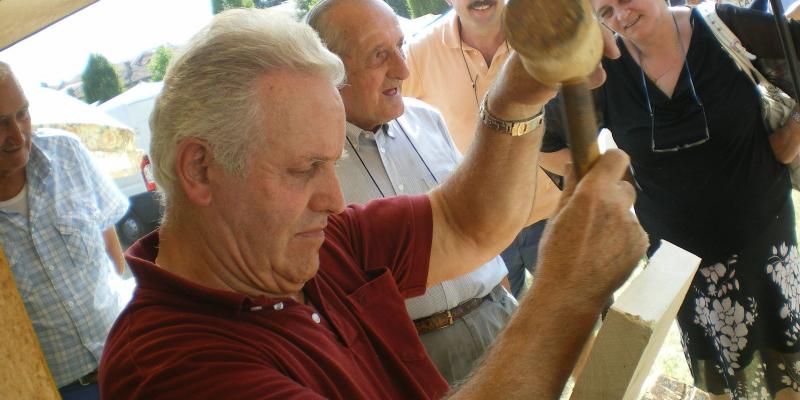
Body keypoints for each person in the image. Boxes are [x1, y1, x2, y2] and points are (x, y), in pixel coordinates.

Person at [98, 8, 647, 399]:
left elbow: (465, 223)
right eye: (304, 168)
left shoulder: (310, 249)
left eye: (332, 162)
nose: (334, 198)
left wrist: (518, 92)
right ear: (200, 169)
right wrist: (567, 289)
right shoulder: (172, 368)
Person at [540, 1, 800, 398]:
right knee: (728, 384)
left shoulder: (722, 26)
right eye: (606, 11)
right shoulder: (602, 72)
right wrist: (616, 176)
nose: (620, 15)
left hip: (766, 243)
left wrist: (791, 136)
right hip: (683, 267)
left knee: (790, 368)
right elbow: (545, 143)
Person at [306, 0, 517, 384]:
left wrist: (503, 297)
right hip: (412, 360)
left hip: (499, 319)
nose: (403, 69)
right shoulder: (309, 167)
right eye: (378, 55)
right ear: (329, 69)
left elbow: (474, 226)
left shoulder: (426, 119)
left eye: (401, 46)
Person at [403, 0, 560, 298]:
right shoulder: (418, 53)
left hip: (551, 213)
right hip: (479, 230)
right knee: (501, 333)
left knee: (579, 321)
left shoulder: (542, 34)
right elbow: (386, 120)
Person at [0, 62, 130, 400]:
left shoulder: (67, 152)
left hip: (129, 358)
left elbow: (109, 238)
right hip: (53, 390)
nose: (17, 135)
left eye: (22, 113)